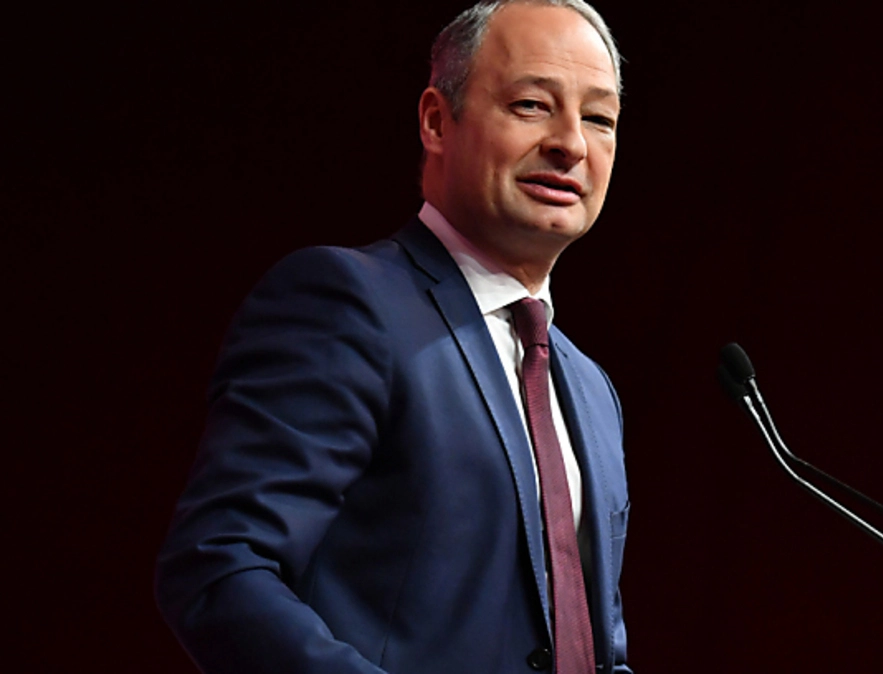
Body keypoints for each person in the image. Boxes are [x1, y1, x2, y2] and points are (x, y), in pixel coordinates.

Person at [154, 1, 631, 673]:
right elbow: (220, 566)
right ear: (437, 121)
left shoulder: (588, 387)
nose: (571, 143)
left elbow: (593, 647)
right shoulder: (348, 302)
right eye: (531, 105)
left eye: (599, 118)